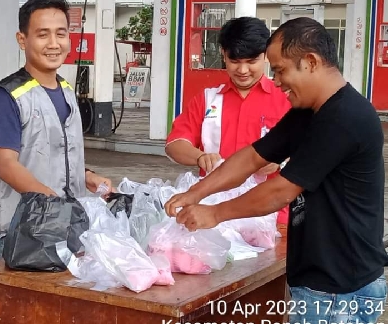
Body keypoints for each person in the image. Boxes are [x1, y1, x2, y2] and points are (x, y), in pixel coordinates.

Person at [164, 17, 388, 323]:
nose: (277, 80)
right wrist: (196, 193)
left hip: (341, 288)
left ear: (310, 62)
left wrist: (214, 214)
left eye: (280, 70)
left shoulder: (344, 117)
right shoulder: (308, 111)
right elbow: (253, 156)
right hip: (318, 279)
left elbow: (281, 189)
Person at [0, 0, 113, 259]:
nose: (54, 44)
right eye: (43, 35)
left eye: (60, 34)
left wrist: (87, 177)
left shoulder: (64, 90)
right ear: (23, 40)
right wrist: (54, 203)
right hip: (23, 229)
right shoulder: (7, 96)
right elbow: (5, 165)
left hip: (66, 222)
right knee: (22, 300)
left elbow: (58, 150)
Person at [165, 16, 291, 224]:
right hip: (213, 212)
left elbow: (311, 152)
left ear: (266, 56)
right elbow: (174, 144)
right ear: (223, 54)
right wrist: (199, 157)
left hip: (270, 216)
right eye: (234, 62)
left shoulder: (286, 99)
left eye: (252, 62)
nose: (242, 71)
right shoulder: (208, 99)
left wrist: (281, 161)